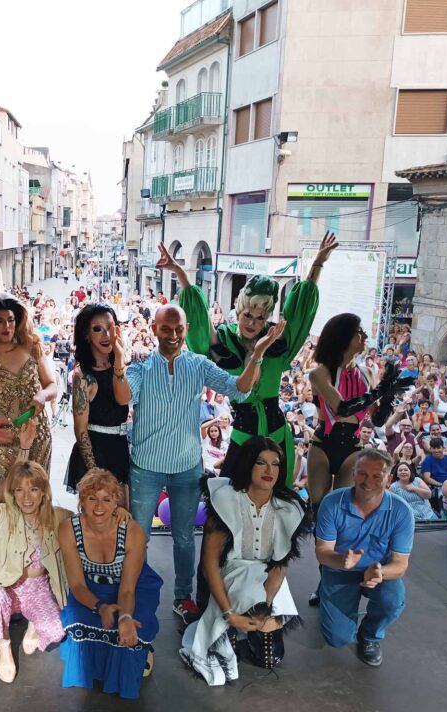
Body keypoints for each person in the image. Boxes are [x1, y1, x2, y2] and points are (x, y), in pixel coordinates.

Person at [127, 303, 276, 621]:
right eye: (165, 328)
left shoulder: (198, 365)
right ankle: (135, 594)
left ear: (187, 329)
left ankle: (183, 598)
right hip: (145, 466)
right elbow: (124, 396)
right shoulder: (140, 368)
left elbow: (239, 390)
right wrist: (116, 359)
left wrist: (257, 353)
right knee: (139, 537)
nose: (172, 335)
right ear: (153, 329)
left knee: (184, 537)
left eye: (178, 329)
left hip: (186, 467)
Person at [175, 233, 338, 485]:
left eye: (260, 318)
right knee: (232, 494)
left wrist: (318, 263)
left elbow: (301, 311)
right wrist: (181, 274)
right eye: (248, 315)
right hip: (243, 435)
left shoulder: (276, 340)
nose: (252, 323)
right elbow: (197, 316)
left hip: (278, 434)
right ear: (238, 312)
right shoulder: (223, 341)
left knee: (277, 496)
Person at [181, 438, 309, 685]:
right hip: (232, 572)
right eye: (261, 463)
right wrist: (229, 614)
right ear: (248, 465)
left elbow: (280, 565)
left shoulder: (288, 507)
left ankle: (250, 626)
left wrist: (265, 607)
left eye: (275, 464)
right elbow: (209, 565)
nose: (269, 470)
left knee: (269, 659)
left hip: (268, 575)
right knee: (225, 652)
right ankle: (230, 624)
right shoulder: (225, 500)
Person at [0, 422, 68, 684]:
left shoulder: (54, 517)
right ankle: (2, 644)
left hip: (38, 588)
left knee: (57, 631)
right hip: (9, 586)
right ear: (13, 493)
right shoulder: (7, 514)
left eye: (33, 489)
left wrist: (118, 512)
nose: (26, 497)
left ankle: (33, 623)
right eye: (20, 490)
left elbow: (86, 517)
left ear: (43, 493)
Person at [59, 469, 162, 699]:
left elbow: (127, 589)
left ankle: (143, 649)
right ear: (81, 501)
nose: (99, 506)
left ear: (116, 503)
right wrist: (100, 607)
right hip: (90, 587)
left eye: (107, 499)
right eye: (92, 498)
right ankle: (98, 664)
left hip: (132, 586)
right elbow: (77, 586)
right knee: (77, 617)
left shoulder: (133, 532)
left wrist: (125, 616)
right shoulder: (68, 529)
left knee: (135, 622)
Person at [315, 450, 414, 667]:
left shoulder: (401, 511)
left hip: (378, 569)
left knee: (393, 600)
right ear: (353, 474)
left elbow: (400, 564)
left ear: (389, 479)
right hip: (339, 568)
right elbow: (322, 551)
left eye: (377, 476)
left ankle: (370, 636)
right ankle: (326, 587)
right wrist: (341, 560)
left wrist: (380, 572)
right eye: (362, 474)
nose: (368, 481)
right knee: (337, 639)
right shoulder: (332, 503)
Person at [308, 316, 411, 509]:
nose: (364, 336)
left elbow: (378, 420)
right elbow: (342, 408)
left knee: (343, 506)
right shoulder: (320, 373)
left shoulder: (367, 373)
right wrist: (381, 390)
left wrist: (389, 395)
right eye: (359, 332)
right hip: (323, 444)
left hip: (352, 447)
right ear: (343, 336)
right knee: (318, 506)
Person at [0, 294, 58, 479]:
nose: (6, 326)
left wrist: (43, 395)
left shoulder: (32, 346)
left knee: (36, 491)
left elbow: (52, 385)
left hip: (37, 434)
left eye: (11, 320)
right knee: (3, 494)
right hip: (2, 439)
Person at [66, 303, 131, 495]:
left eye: (110, 328)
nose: (106, 335)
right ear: (86, 335)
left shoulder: (119, 365)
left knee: (122, 510)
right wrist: (94, 471)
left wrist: (119, 358)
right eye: (97, 329)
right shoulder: (82, 376)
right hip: (96, 452)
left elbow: (123, 400)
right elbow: (80, 429)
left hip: (120, 448)